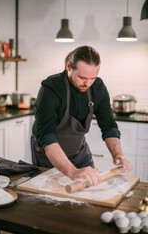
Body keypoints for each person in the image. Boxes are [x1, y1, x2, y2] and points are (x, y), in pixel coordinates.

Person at [31, 45, 132, 187]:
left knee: (90, 193)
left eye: (93, 78)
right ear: (68, 66)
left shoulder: (98, 87)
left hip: (79, 153)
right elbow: (47, 136)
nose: (88, 83)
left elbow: (108, 126)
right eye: (82, 77)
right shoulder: (51, 88)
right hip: (49, 157)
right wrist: (72, 171)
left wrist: (117, 154)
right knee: (51, 199)